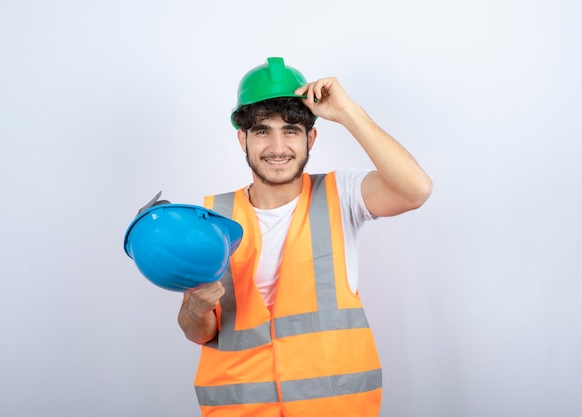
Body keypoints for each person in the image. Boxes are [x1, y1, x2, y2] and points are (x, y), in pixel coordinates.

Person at [177, 57, 432, 417]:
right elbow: (198, 331)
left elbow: (416, 190)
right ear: (242, 139)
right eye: (263, 131)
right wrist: (197, 306)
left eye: (291, 130)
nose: (277, 147)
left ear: (311, 137)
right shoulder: (212, 219)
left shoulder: (341, 194)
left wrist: (347, 112)